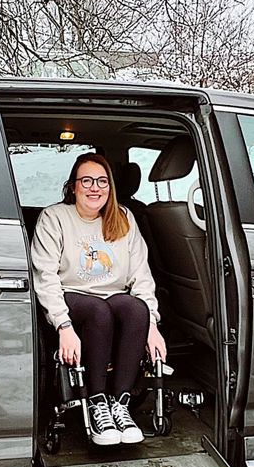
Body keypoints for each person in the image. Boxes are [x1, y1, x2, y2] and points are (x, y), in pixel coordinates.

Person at [30, 153, 166, 446]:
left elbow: (141, 276)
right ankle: (96, 403)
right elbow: (45, 276)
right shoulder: (55, 218)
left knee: (134, 307)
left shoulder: (123, 218)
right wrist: (63, 327)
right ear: (73, 187)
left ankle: (120, 405)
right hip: (70, 299)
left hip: (113, 298)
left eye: (102, 181)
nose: (95, 188)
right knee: (98, 310)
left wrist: (151, 326)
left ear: (110, 187)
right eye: (87, 181)